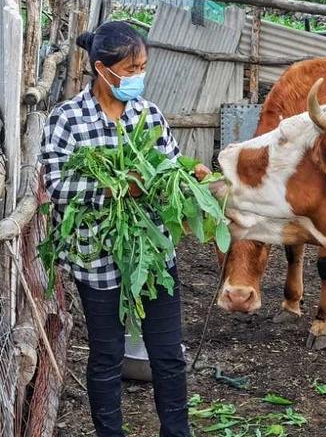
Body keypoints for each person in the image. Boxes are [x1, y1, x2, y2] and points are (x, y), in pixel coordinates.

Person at [39, 21, 208, 437]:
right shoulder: (67, 119)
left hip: (152, 254)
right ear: (102, 69)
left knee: (168, 355)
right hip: (96, 256)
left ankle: (177, 432)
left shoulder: (149, 114)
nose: (138, 77)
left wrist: (189, 177)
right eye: (130, 69)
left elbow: (168, 164)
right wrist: (115, 187)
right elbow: (56, 184)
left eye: (142, 68)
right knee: (107, 356)